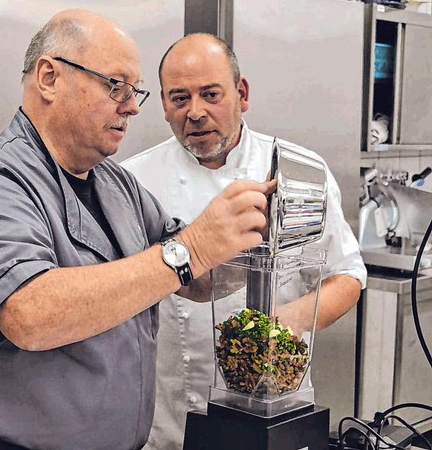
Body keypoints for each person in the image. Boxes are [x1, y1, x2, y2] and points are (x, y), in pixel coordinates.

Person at [0, 12, 275, 450]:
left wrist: (258, 233)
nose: (132, 106)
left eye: (135, 91)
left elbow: (196, 282)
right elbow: (30, 316)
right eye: (116, 86)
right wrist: (193, 248)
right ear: (49, 77)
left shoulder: (117, 185)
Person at [122, 33, 368, 450]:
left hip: (278, 411)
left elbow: (347, 277)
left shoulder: (300, 173)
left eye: (211, 94)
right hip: (168, 424)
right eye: (179, 99)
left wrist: (282, 323)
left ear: (242, 93)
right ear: (163, 105)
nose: (195, 112)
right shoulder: (132, 181)